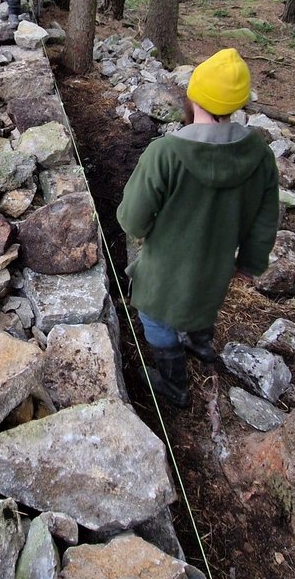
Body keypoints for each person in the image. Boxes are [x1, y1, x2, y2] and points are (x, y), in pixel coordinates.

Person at [117, 49, 279, 407]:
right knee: (204, 302)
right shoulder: (261, 155)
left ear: (193, 96)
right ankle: (200, 343)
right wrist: (250, 263)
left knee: (154, 318)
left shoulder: (166, 153)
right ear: (237, 105)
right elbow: (266, 218)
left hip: (165, 271)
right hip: (217, 266)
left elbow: (132, 220)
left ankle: (175, 386)